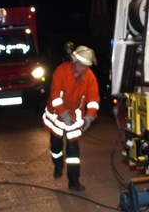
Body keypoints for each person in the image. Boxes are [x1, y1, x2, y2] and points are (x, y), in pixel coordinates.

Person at [41, 45, 100, 191]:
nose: (83, 69)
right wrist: (63, 114)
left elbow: (93, 99)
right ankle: (58, 163)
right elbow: (55, 96)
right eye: (81, 65)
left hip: (75, 116)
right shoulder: (61, 71)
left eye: (86, 66)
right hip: (57, 115)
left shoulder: (89, 77)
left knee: (73, 150)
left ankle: (73, 180)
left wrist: (90, 117)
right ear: (74, 62)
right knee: (56, 145)